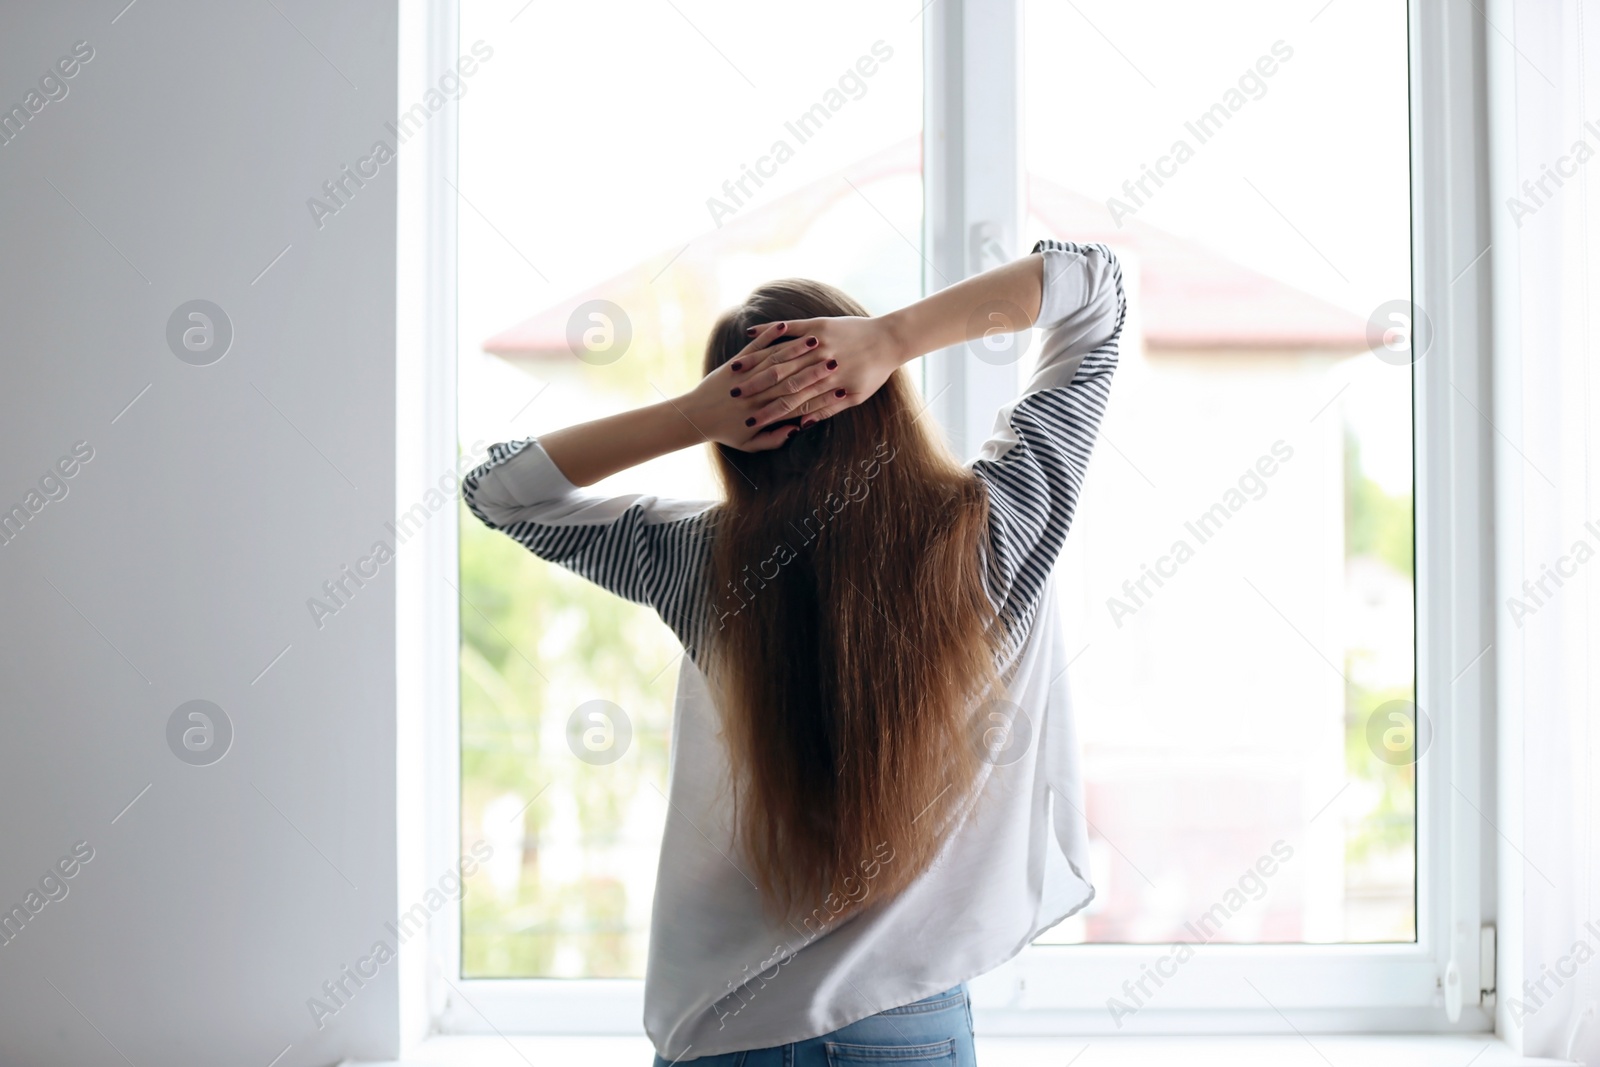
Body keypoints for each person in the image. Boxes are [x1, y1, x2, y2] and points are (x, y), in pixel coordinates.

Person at [462, 239, 1125, 1065]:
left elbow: (495, 492)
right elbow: (1093, 288)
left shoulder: (696, 562)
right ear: (880, 399)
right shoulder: (995, 532)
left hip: (727, 1030)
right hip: (904, 1024)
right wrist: (889, 339)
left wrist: (690, 414)